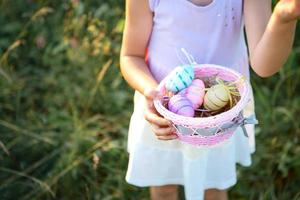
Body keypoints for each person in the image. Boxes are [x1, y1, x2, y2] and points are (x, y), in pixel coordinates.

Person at [120, 0, 299, 199]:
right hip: (165, 108)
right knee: (164, 188)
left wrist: (283, 18)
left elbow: (264, 66)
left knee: (213, 189)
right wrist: (151, 92)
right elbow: (130, 56)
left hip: (220, 114)